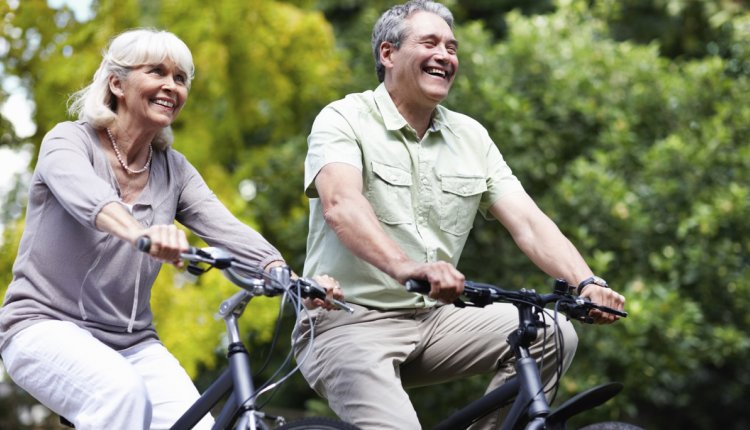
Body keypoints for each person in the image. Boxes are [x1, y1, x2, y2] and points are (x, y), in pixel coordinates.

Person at [292, 1, 627, 429]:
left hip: (433, 320)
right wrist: (407, 267)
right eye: (429, 42)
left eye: (452, 47)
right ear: (388, 54)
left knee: (553, 332)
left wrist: (587, 282)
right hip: (346, 322)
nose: (445, 55)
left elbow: (527, 221)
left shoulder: (470, 135)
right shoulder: (343, 118)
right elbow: (342, 206)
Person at [0, 28, 341, 430]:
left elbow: (226, 229)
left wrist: (292, 280)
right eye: (157, 72)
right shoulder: (69, 141)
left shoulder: (173, 169)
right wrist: (143, 233)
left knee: (197, 424)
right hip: (41, 326)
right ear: (117, 84)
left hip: (133, 343)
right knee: (120, 393)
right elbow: (90, 200)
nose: (171, 86)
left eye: (180, 78)